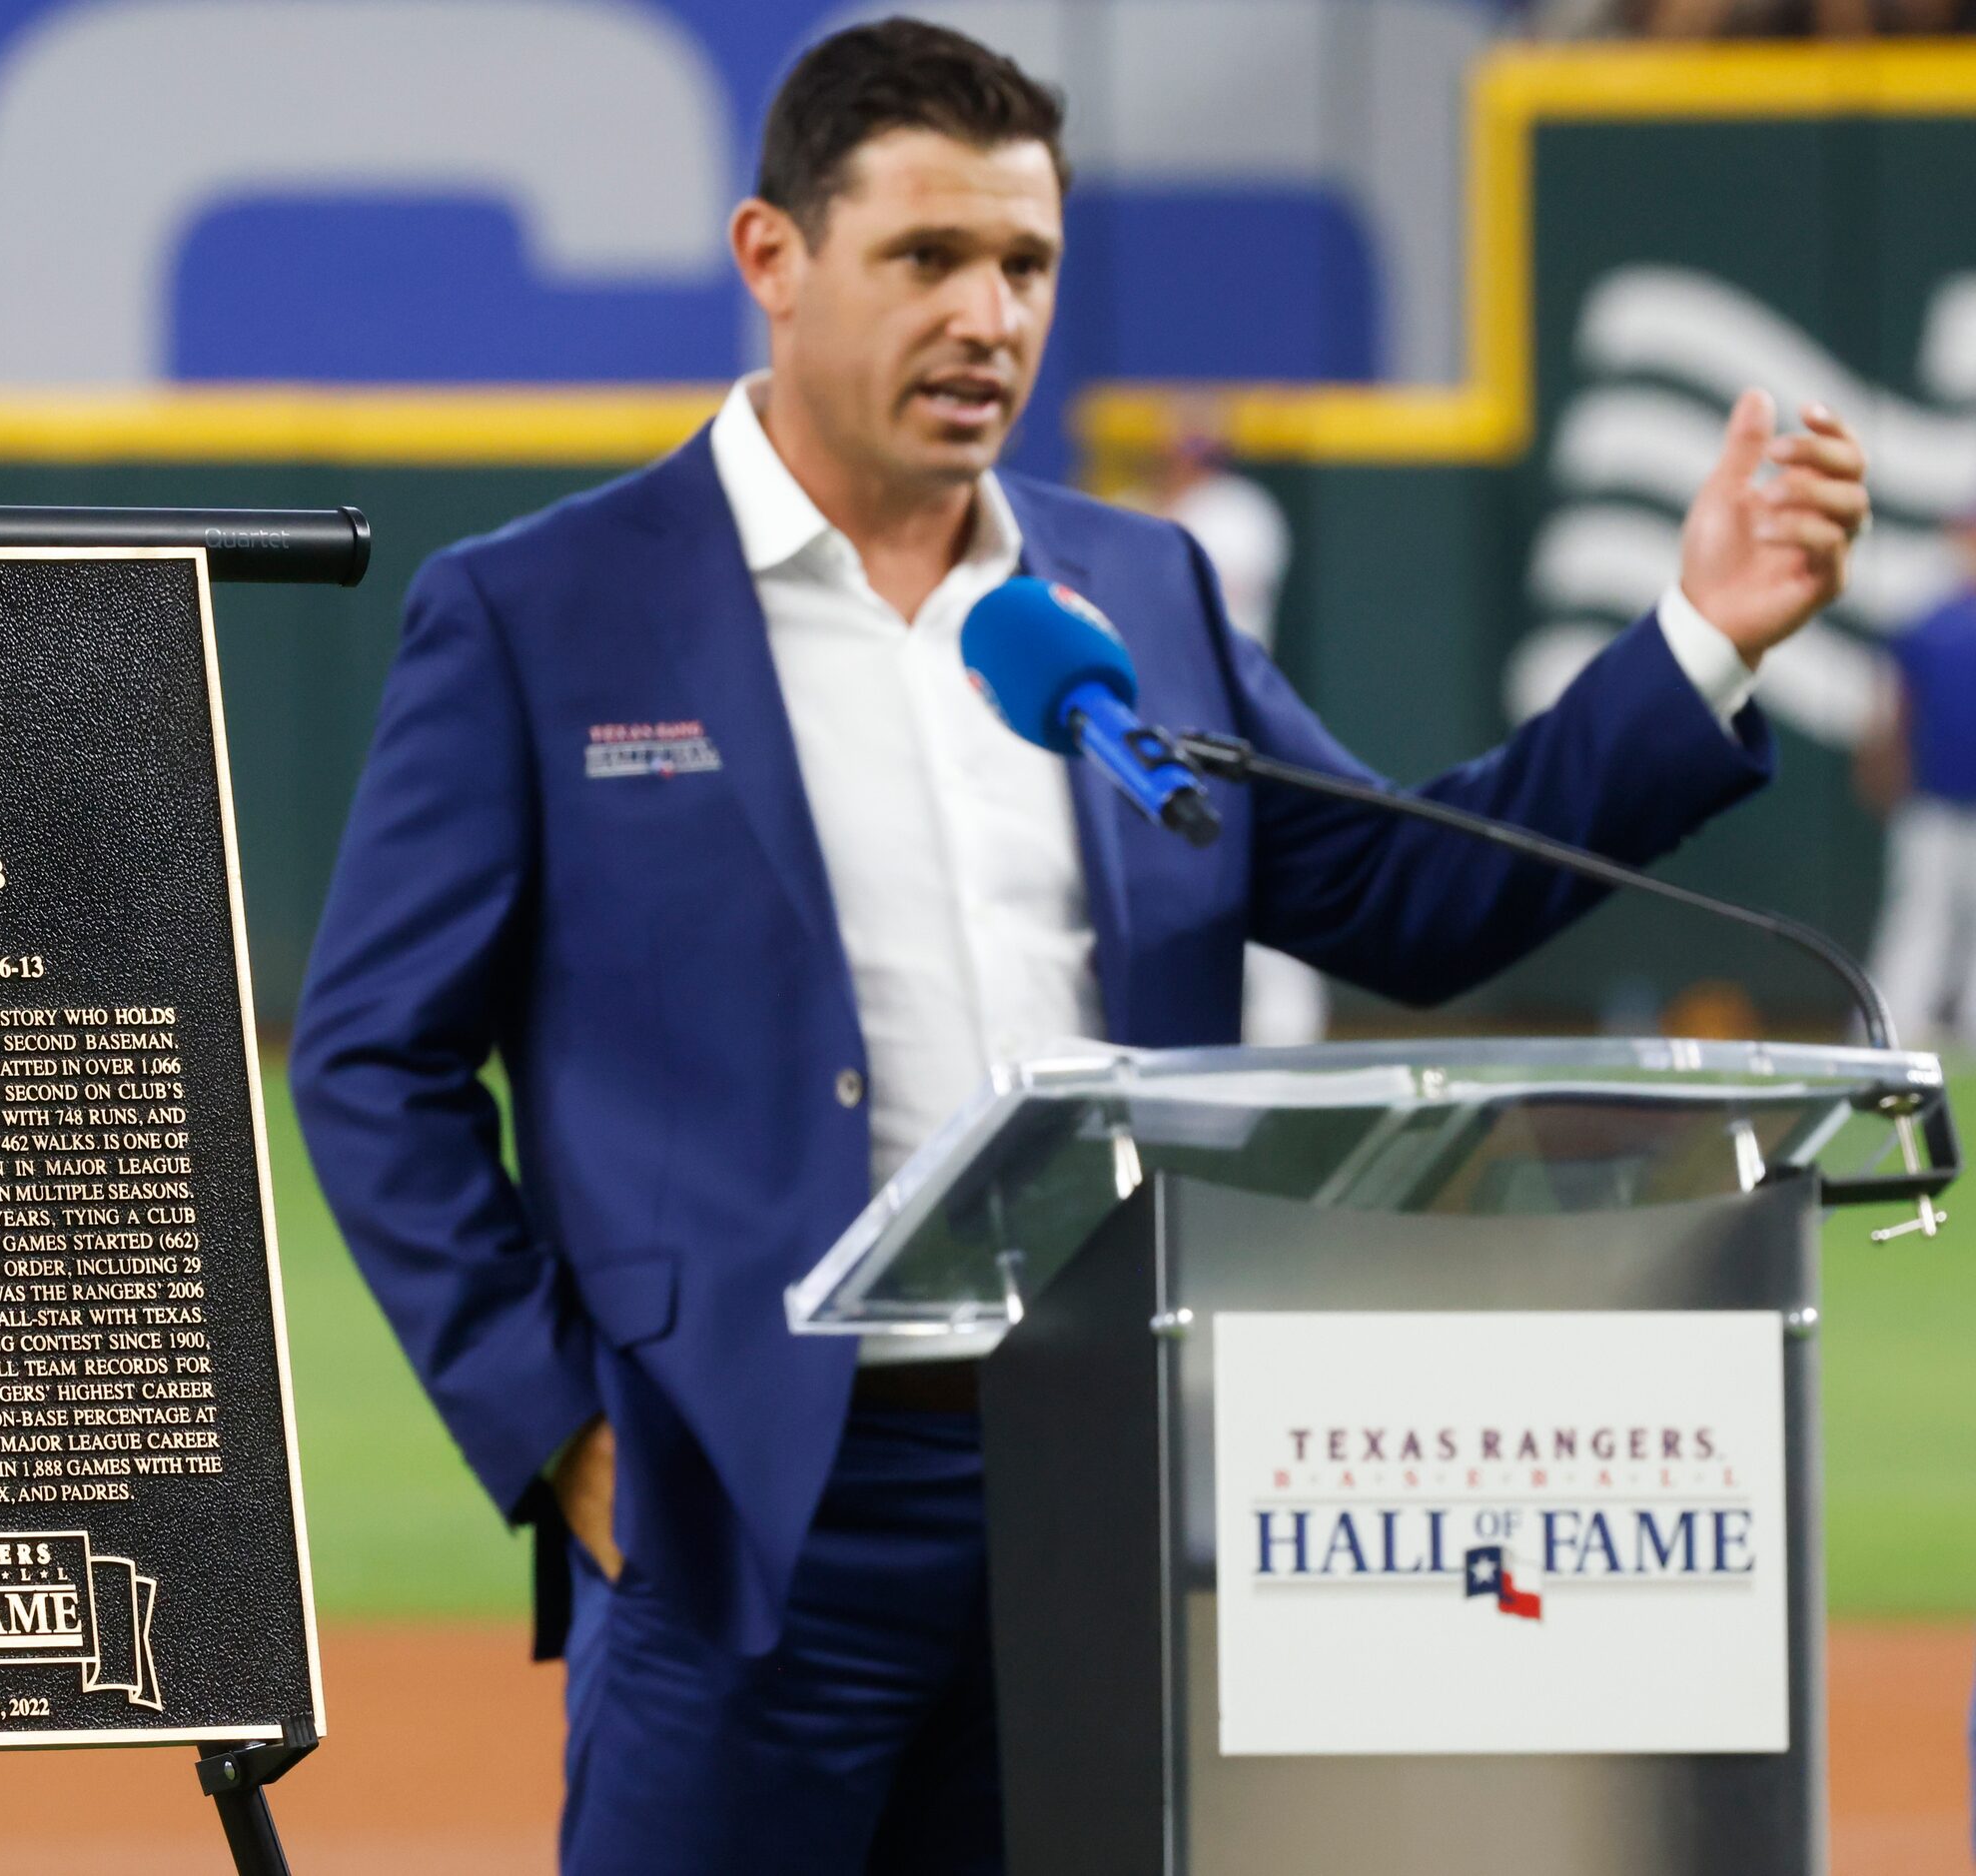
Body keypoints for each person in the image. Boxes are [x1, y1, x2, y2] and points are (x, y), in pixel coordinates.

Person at [289, 20, 1870, 1873]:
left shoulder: (1135, 593)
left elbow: (1414, 900)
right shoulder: (541, 609)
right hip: (745, 1497)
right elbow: (368, 1056)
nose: (989, 316)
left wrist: (1702, 637)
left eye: (1026, 266)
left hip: (1101, 1481)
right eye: (928, 259)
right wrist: (555, 1418)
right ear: (771, 259)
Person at [1146, 422, 1329, 1045]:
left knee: (1261, 861)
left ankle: (1289, 1025)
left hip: (1236, 709)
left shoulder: (1238, 511)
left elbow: (1201, 593)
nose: (1185, 462)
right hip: (1174, 711)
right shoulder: (1160, 512)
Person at [1858, 506, 1976, 1046]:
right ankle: (1888, 1031)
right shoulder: (1926, 624)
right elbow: (1893, 712)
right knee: (1916, 921)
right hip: (1930, 802)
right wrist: (1882, 769)